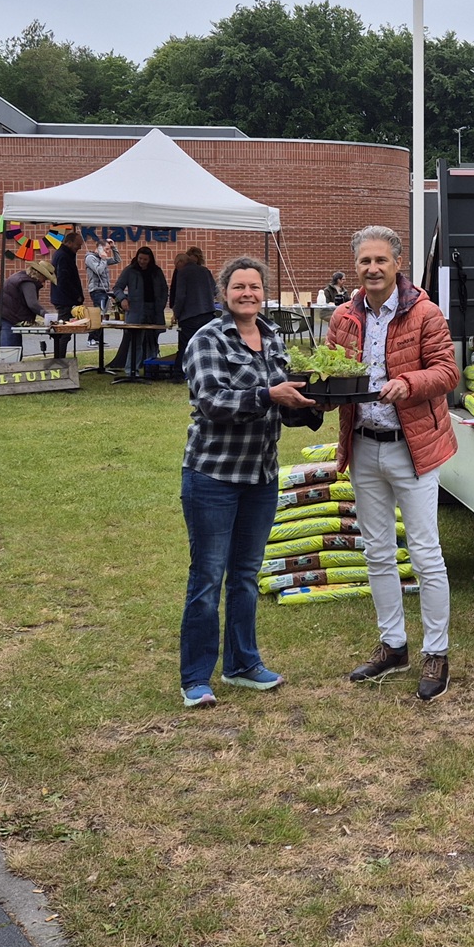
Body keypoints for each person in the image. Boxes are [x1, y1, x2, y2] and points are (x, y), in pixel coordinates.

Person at [178, 256, 321, 706]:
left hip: (260, 476)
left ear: (264, 292)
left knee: (244, 575)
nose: (247, 294)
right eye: (238, 286)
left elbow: (283, 402)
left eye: (254, 287)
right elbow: (212, 400)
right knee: (207, 578)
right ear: (224, 293)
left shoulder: (273, 337)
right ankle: (196, 678)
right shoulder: (207, 339)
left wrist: (314, 407)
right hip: (213, 476)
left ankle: (242, 664)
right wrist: (267, 394)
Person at [327, 225, 460, 701]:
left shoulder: (425, 312)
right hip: (364, 445)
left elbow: (447, 371)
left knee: (425, 553)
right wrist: (318, 391)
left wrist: (410, 383)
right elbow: (334, 374)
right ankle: (393, 645)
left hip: (413, 446)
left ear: (397, 263)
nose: (372, 269)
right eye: (365, 261)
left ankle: (437, 652)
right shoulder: (344, 316)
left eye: (381, 260)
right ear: (356, 266)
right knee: (377, 551)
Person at [109, 245, 168, 377]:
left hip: (154, 310)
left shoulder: (157, 271)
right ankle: (132, 370)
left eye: (145, 259)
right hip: (136, 311)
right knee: (136, 341)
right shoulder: (130, 270)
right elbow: (117, 287)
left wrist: (161, 304)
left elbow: (164, 289)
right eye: (140, 258)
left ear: (150, 260)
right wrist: (123, 299)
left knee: (153, 341)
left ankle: (152, 369)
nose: (142, 261)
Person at [0, 260, 55, 357]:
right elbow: (32, 304)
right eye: (45, 278)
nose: (44, 282)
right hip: (8, 319)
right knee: (11, 354)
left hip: (1, 316)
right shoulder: (27, 282)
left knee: (2, 354)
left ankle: (0, 371)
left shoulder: (21, 276)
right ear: (39, 274)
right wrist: (47, 315)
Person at [171, 246, 218, 357]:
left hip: (189, 317)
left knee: (185, 348)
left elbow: (180, 296)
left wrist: (176, 314)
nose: (176, 268)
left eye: (176, 265)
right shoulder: (205, 271)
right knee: (205, 347)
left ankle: (180, 374)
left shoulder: (183, 272)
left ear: (181, 261)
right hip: (208, 314)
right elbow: (215, 290)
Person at [49, 226, 83, 359]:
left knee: (64, 331)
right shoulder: (64, 256)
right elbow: (64, 280)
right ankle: (60, 359)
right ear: (69, 243)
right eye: (77, 245)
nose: (79, 248)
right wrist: (77, 295)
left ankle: (60, 357)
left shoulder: (62, 254)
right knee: (65, 332)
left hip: (63, 298)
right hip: (65, 300)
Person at [83, 235, 117, 313]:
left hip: (105, 290)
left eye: (109, 249)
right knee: (100, 313)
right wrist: (104, 259)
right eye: (107, 249)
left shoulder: (102, 259)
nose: (108, 252)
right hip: (97, 290)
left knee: (104, 312)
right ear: (100, 248)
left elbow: (117, 260)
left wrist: (113, 248)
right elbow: (99, 271)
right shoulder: (90, 258)